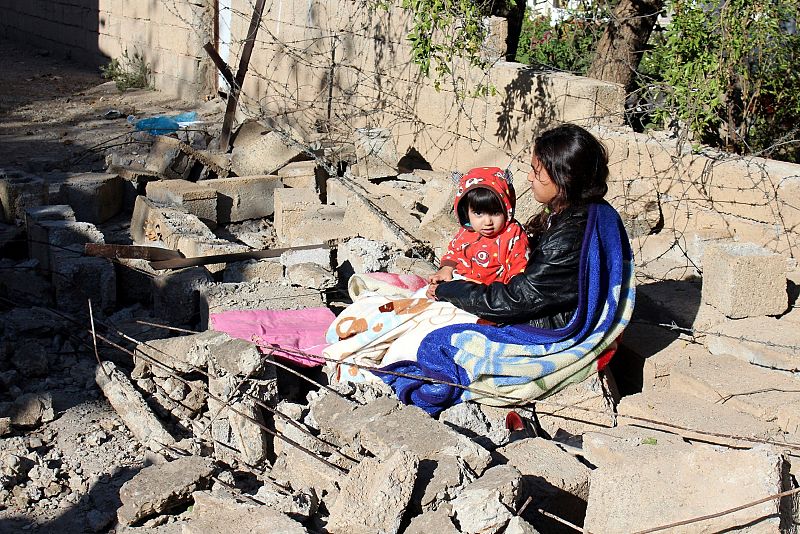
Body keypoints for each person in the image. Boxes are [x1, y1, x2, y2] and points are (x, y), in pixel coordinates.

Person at [431, 123, 611, 329]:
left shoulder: (569, 237)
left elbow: (516, 300)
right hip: (532, 304)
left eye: (536, 171)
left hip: (551, 325)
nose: (529, 178)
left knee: (435, 337)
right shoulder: (574, 212)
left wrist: (448, 290)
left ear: (564, 177)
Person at [427, 166, 529, 290]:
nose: (487, 222)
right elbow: (454, 253)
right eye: (478, 213)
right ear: (466, 212)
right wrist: (445, 270)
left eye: (496, 213)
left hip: (489, 295)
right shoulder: (467, 231)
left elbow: (519, 271)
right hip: (459, 286)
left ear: (507, 209)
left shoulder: (513, 235)